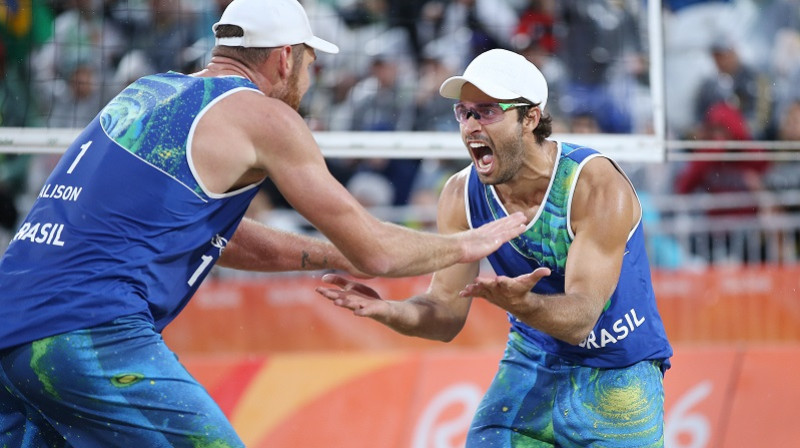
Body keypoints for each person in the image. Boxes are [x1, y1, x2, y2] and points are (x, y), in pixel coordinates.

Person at [0, 0, 528, 446]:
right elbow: (378, 253)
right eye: (309, 62)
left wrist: (327, 253)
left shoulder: (144, 92)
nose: (311, 76)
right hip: (86, 330)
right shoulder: (264, 117)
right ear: (284, 58)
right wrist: (466, 244)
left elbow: (215, 237)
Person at [317, 48, 673, 447]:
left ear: (530, 117)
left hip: (618, 373)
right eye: (464, 112)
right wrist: (390, 311)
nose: (470, 126)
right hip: (532, 362)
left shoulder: (593, 184)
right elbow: (445, 315)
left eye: (486, 112)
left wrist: (520, 304)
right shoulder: (458, 195)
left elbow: (581, 319)